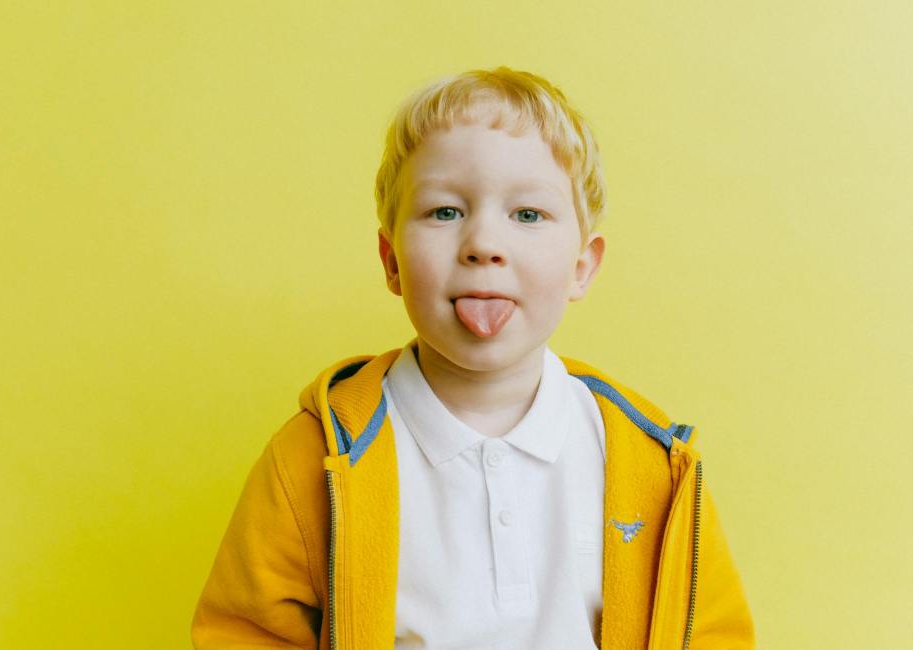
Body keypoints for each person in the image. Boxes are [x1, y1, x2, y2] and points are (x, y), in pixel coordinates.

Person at [190, 66, 754, 649]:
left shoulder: (651, 460)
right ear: (391, 261)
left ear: (581, 267)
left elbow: (713, 635)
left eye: (528, 215)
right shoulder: (316, 456)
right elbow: (244, 634)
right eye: (445, 212)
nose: (484, 244)